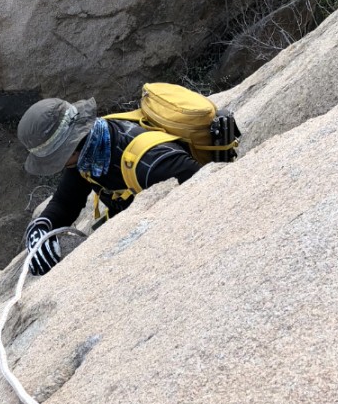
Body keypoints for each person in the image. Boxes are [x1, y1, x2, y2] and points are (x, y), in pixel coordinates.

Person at [18, 97, 201, 275]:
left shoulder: (153, 164)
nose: (57, 166)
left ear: (70, 148)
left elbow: (200, 200)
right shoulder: (91, 149)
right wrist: (41, 227)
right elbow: (66, 201)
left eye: (55, 160)